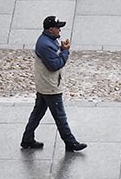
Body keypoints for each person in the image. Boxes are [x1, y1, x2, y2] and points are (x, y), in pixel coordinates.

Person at [21, 16, 87, 153]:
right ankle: (71, 142)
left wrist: (62, 48)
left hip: (45, 85)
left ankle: (27, 139)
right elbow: (54, 65)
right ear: (51, 29)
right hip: (50, 87)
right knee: (60, 116)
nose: (60, 30)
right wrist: (65, 51)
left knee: (37, 113)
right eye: (58, 28)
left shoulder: (49, 40)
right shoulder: (45, 44)